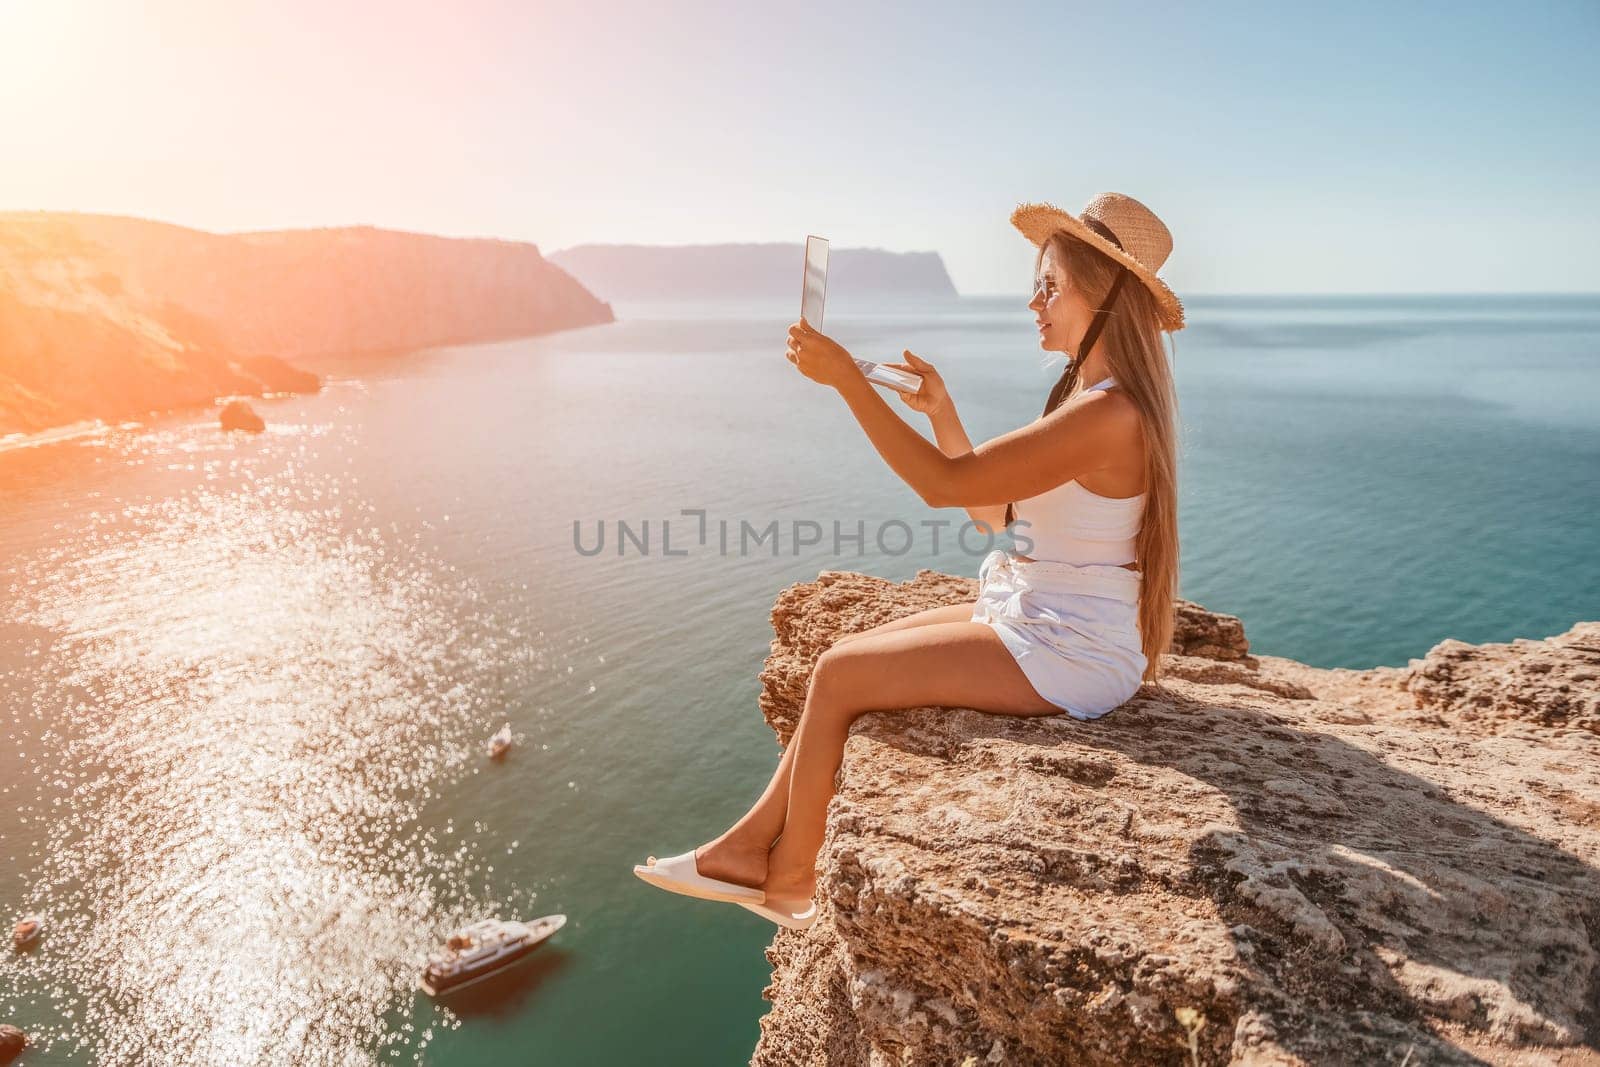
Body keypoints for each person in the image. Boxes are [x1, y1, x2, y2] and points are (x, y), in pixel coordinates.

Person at [634, 192, 1185, 929]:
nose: (1033, 302)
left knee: (837, 676)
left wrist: (849, 381)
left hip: (1070, 647)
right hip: (1041, 612)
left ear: (1106, 293)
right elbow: (994, 513)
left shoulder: (1107, 415)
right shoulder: (1090, 402)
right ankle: (744, 847)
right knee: (842, 651)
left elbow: (941, 486)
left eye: (1049, 285)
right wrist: (942, 412)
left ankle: (790, 880)